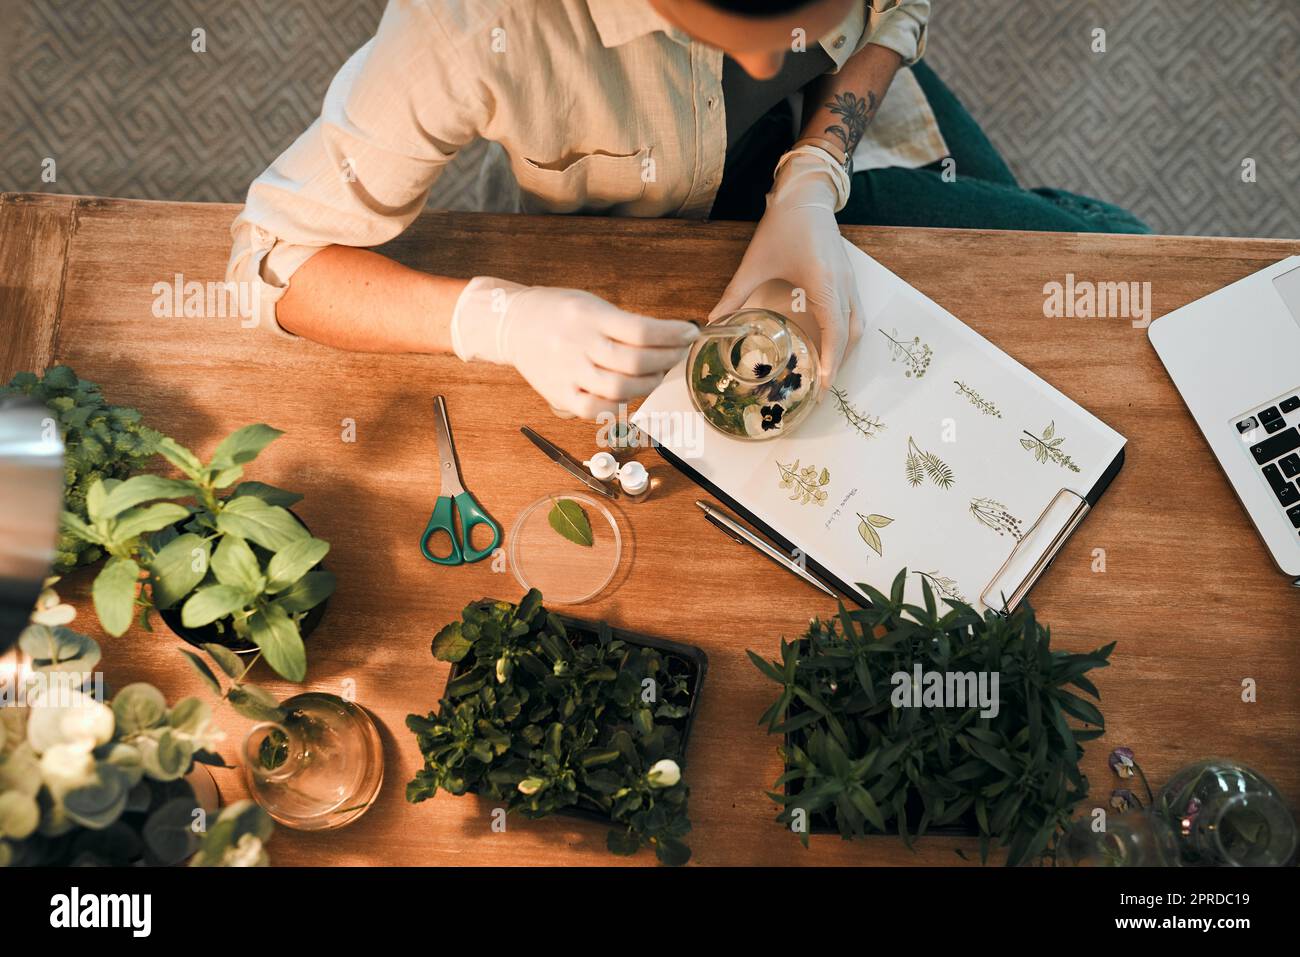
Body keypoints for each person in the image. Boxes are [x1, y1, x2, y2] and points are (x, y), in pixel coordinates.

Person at [228, 0, 1147, 420]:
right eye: (724, 37)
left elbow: (895, 17)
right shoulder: (466, 26)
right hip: (644, 235)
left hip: (847, 150)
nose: (763, 69)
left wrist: (816, 168)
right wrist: (495, 318)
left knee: (1107, 257)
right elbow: (267, 263)